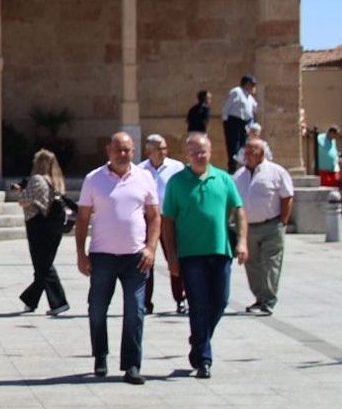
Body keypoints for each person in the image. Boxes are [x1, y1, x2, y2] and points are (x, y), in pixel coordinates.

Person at [74, 132, 160, 384]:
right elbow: (82, 219)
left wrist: (151, 248)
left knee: (136, 310)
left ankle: (131, 365)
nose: (123, 154)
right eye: (118, 149)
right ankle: (100, 353)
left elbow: (154, 216)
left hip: (136, 257)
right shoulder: (94, 179)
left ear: (133, 151)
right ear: (108, 150)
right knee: (97, 309)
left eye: (128, 150)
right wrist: (81, 253)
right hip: (103, 256)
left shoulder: (144, 178)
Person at [161, 134, 248, 379]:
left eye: (203, 151)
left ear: (211, 152)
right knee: (198, 305)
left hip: (220, 251)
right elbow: (168, 221)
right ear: (186, 155)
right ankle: (204, 359)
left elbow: (239, 210)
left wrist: (241, 242)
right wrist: (172, 257)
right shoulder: (177, 182)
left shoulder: (223, 178)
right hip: (191, 255)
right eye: (194, 152)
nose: (199, 156)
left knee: (220, 301)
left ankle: (199, 340)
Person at [233, 139, 294, 316]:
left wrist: (283, 221)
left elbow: (287, 196)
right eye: (246, 151)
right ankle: (260, 297)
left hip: (271, 225)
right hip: (247, 227)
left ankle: (269, 299)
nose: (248, 155)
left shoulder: (276, 172)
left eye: (252, 151)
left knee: (271, 263)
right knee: (252, 264)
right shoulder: (239, 175)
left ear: (261, 153)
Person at [17, 149, 70, 316]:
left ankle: (59, 302)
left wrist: (21, 191)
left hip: (38, 226)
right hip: (54, 227)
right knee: (43, 265)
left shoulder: (37, 180)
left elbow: (23, 201)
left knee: (43, 266)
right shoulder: (56, 181)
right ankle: (30, 301)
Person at [138, 134, 187, 317]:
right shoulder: (140, 170)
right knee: (146, 260)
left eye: (165, 148)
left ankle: (180, 298)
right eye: (159, 148)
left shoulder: (176, 168)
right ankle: (145, 302)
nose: (163, 152)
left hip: (169, 218)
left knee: (174, 258)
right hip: (147, 219)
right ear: (149, 150)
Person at [222, 75, 257, 173]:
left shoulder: (249, 96)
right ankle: (232, 168)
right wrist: (226, 121)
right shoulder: (236, 92)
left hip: (244, 123)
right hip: (233, 121)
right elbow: (226, 106)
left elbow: (253, 109)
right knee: (233, 145)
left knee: (243, 145)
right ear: (246, 83)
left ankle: (242, 167)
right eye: (252, 84)